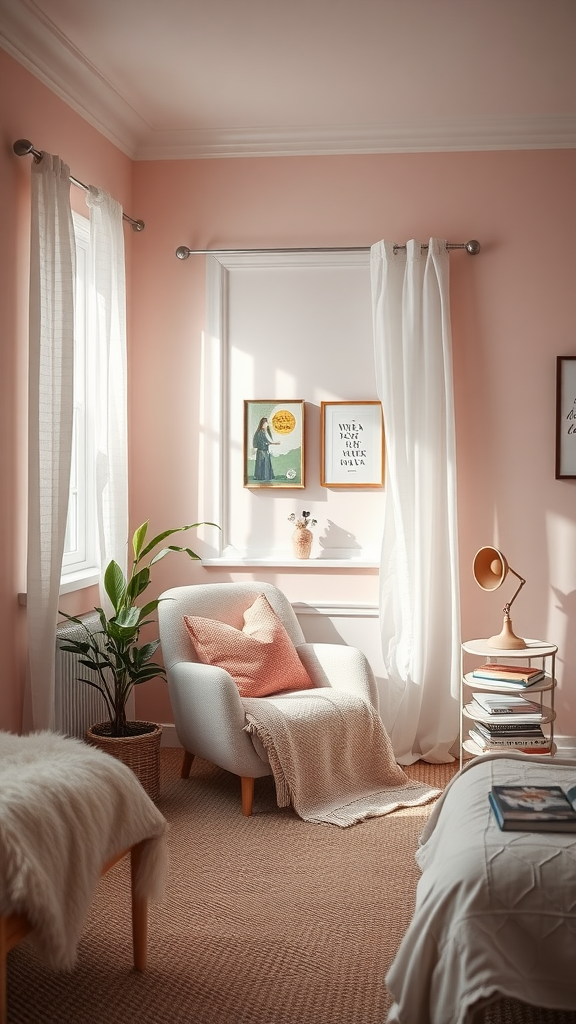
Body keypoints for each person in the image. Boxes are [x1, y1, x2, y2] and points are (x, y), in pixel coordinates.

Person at [253, 417, 279, 481]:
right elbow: (263, 442)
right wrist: (273, 443)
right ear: (262, 424)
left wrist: (272, 443)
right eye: (265, 423)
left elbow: (266, 442)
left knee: (265, 464)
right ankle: (262, 477)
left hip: (264, 451)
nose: (267, 424)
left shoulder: (264, 432)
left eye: (267, 423)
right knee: (262, 465)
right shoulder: (260, 432)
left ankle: (264, 477)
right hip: (262, 451)